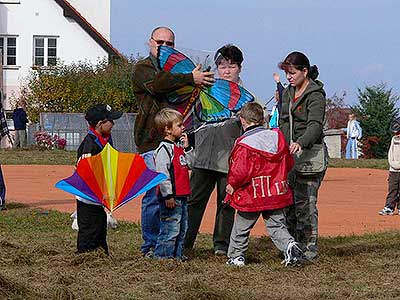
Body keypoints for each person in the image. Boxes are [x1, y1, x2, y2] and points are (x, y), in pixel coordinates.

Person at [131, 26, 214, 257]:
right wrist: (190, 78)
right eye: (160, 42)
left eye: (170, 44)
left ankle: (169, 246)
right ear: (150, 42)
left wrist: (198, 82)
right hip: (151, 142)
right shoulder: (142, 68)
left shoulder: (180, 70)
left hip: (175, 142)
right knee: (153, 195)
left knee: (175, 195)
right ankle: (150, 246)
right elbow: (158, 85)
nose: (164, 47)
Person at [225, 102, 307, 266]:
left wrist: (232, 185)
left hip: (252, 194)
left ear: (243, 120)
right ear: (262, 120)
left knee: (241, 227)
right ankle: (289, 246)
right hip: (275, 192)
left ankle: (236, 256)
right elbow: (288, 162)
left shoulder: (245, 144)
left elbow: (240, 170)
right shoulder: (277, 137)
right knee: (277, 225)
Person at [185, 44, 246, 255]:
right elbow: (192, 120)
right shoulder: (205, 91)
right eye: (222, 65)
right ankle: (185, 242)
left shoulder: (245, 98)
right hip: (202, 157)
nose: (226, 70)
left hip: (228, 161)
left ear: (240, 68)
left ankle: (221, 245)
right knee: (193, 201)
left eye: (232, 66)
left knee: (226, 204)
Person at [278, 51, 327, 261]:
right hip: (289, 155)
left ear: (304, 71)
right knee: (288, 203)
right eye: (287, 73)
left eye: (292, 72)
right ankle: (292, 247)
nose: (289, 77)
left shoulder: (315, 94)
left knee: (306, 204)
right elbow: (283, 121)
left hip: (309, 156)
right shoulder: (288, 92)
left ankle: (309, 249)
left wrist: (300, 142)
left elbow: (315, 126)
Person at [75, 104, 122, 254]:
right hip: (88, 196)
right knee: (89, 228)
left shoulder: (104, 139)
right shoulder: (90, 144)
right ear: (100, 124)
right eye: (111, 121)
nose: (113, 124)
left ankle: (101, 252)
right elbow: (85, 172)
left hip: (98, 196)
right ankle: (85, 254)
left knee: (100, 225)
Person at [152, 108, 194, 259]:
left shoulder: (178, 147)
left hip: (182, 195)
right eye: (179, 125)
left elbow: (191, 164)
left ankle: (177, 255)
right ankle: (163, 256)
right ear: (167, 129)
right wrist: (168, 195)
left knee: (182, 227)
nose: (183, 127)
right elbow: (162, 174)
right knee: (171, 228)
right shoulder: (164, 149)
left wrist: (187, 147)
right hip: (171, 197)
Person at [379, 118, 400, 215]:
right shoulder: (393, 139)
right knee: (392, 189)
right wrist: (393, 164)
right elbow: (390, 153)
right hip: (393, 170)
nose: (397, 134)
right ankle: (389, 207)